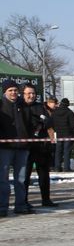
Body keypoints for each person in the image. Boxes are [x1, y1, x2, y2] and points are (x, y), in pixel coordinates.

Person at [0, 81, 34, 216]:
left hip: (22, 147)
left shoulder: (23, 105)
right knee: (3, 179)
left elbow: (30, 123)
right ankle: (2, 206)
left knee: (21, 179)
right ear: (4, 92)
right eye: (10, 90)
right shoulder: (1, 105)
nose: (13, 93)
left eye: (15, 90)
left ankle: (20, 205)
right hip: (5, 148)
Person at [22, 85, 56, 209]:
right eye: (28, 93)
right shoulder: (20, 106)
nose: (31, 96)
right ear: (23, 94)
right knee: (25, 176)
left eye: (33, 93)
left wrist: (44, 122)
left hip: (41, 146)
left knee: (44, 173)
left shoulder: (40, 106)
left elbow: (49, 121)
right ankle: (23, 200)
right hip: (25, 146)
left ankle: (46, 199)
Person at [52, 98, 74, 172]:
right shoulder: (69, 112)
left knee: (58, 151)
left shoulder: (55, 112)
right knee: (67, 151)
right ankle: (66, 168)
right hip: (68, 134)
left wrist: (55, 130)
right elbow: (73, 125)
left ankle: (57, 167)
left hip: (58, 134)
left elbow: (52, 122)